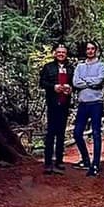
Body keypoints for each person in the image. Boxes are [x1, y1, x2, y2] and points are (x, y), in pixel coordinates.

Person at [38, 43, 74, 175]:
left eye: (63, 52)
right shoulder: (48, 67)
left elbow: (74, 83)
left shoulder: (70, 68)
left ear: (66, 54)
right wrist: (54, 87)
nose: (61, 54)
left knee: (61, 133)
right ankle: (48, 163)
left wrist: (70, 88)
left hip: (65, 103)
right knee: (50, 133)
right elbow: (42, 82)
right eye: (58, 52)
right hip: (52, 103)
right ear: (54, 53)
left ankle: (59, 161)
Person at [73, 40, 104, 176]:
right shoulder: (80, 67)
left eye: (92, 49)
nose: (90, 51)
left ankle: (95, 164)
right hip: (83, 103)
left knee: (96, 133)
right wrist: (90, 82)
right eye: (88, 49)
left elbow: (99, 81)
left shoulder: (101, 65)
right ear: (85, 51)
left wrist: (85, 81)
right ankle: (86, 159)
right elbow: (75, 82)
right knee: (77, 133)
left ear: (96, 50)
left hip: (96, 104)